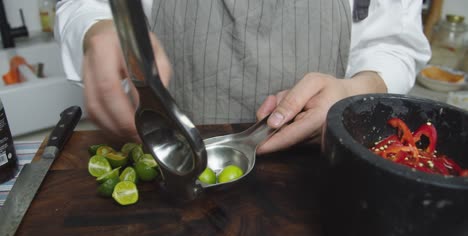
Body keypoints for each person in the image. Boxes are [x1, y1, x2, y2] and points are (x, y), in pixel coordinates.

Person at [55, 0, 431, 154]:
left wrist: (355, 90)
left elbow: (394, 43)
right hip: (163, 159)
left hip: (320, 165)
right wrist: (99, 28)